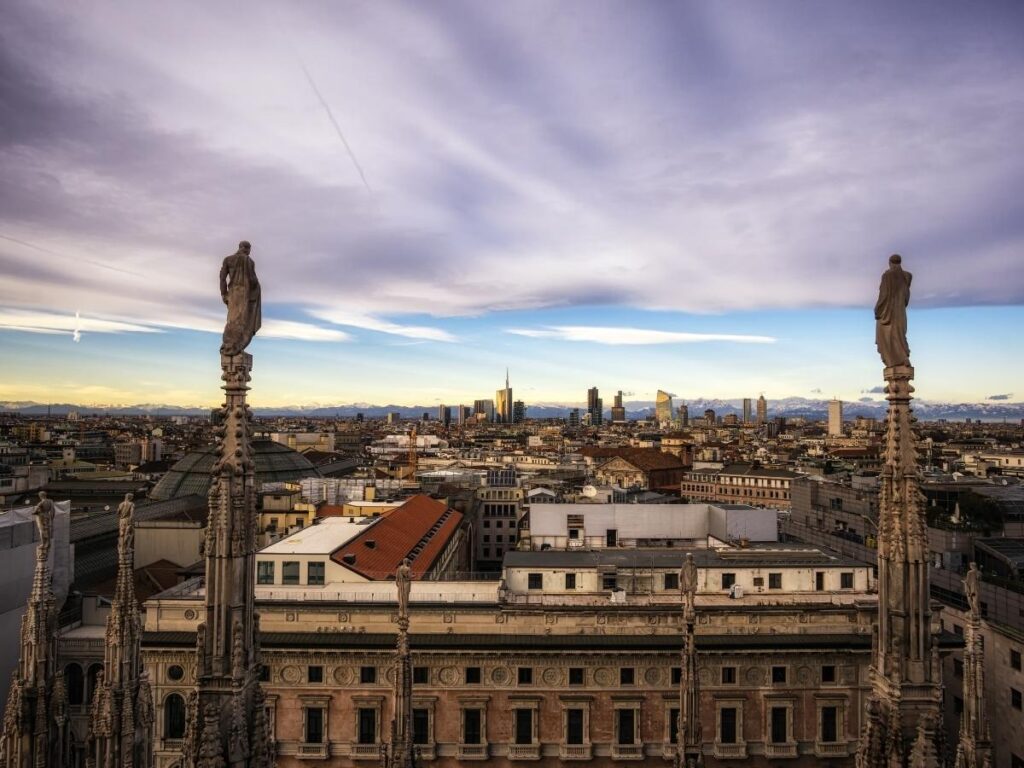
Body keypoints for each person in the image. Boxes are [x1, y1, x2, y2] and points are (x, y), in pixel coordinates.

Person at [220, 240, 262, 355]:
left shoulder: (228, 259)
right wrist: (258, 289)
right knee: (242, 321)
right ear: (247, 248)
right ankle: (236, 345)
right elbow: (253, 281)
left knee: (232, 319)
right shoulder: (249, 262)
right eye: (249, 249)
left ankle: (228, 344)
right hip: (244, 295)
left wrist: (224, 294)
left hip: (232, 293)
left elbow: (222, 278)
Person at [874, 254, 912, 368]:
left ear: (890, 263)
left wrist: (877, 310)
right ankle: (902, 359)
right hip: (900, 314)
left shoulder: (887, 276)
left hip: (888, 314)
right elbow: (906, 298)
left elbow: (883, 296)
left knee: (887, 335)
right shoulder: (907, 276)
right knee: (900, 335)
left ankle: (893, 361)